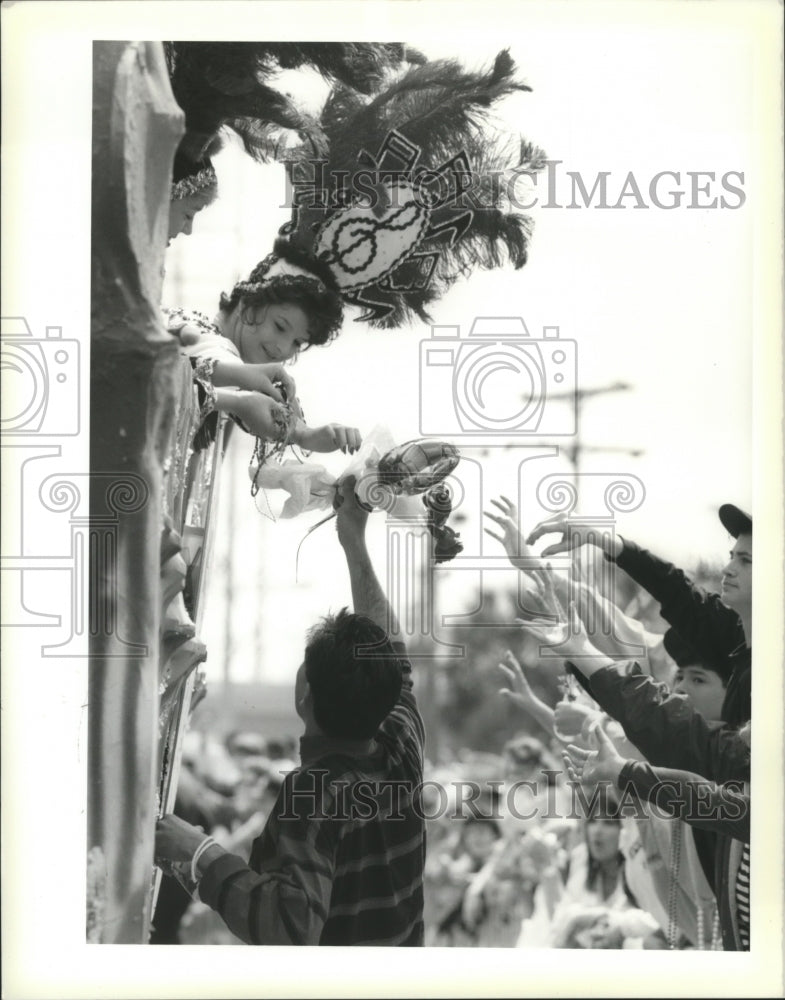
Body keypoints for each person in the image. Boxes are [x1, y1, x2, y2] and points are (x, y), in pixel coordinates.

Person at [155, 476, 426, 945]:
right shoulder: (401, 746)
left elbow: (291, 927)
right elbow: (395, 662)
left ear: (304, 692)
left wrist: (199, 853)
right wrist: (353, 539)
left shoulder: (313, 792)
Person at [517, 598, 751, 951]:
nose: (682, 688)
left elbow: (642, 731)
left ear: (734, 696)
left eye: (698, 678)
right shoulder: (678, 771)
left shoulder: (731, 764)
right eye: (679, 677)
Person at [525, 503, 752, 725]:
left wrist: (581, 653)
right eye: (732, 556)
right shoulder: (736, 641)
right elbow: (678, 591)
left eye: (745, 560)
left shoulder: (770, 672)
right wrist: (601, 538)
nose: (728, 568)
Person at [164, 249, 361, 458]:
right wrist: (303, 435)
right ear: (249, 304)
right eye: (279, 326)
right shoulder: (201, 336)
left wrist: (305, 433)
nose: (283, 349)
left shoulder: (208, 338)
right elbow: (221, 366)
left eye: (297, 342)